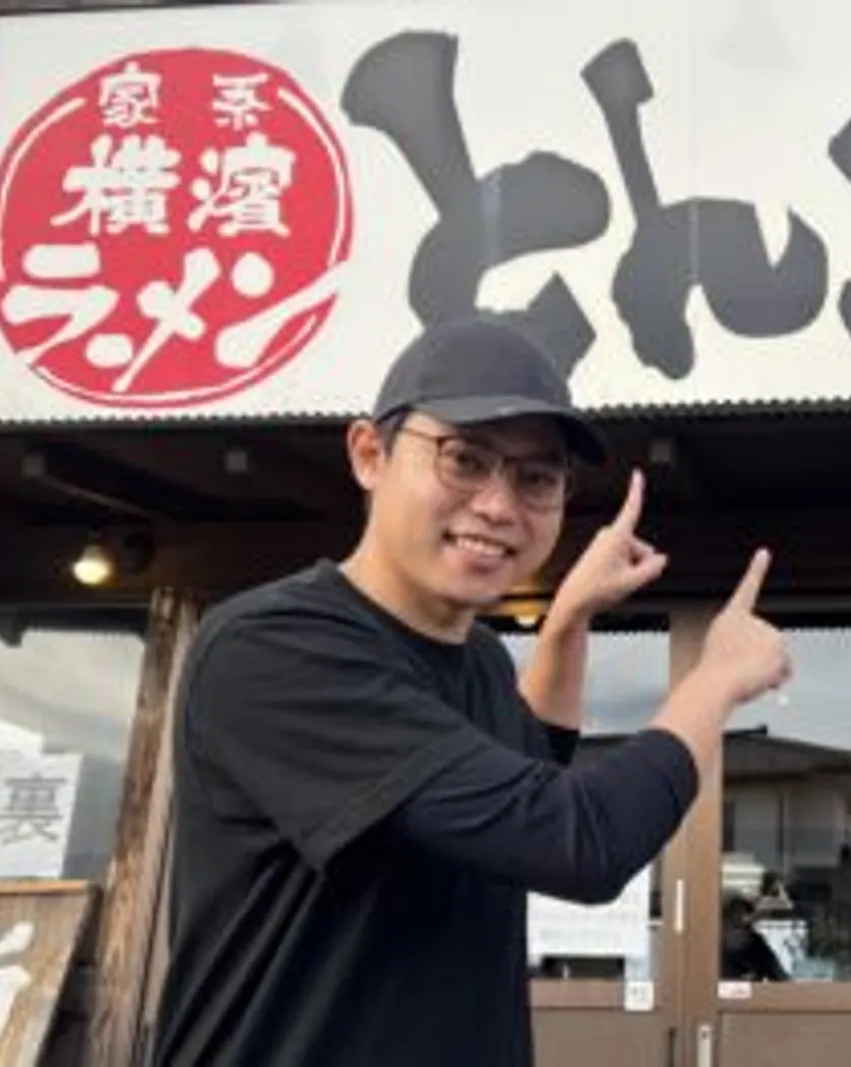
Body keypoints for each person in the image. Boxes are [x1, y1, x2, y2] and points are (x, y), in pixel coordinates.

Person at [151, 317, 792, 1066]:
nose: (498, 503)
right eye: (464, 458)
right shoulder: (273, 648)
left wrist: (567, 625)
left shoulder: (481, 660)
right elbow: (578, 840)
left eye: (536, 478)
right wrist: (714, 680)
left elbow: (531, 783)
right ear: (370, 453)